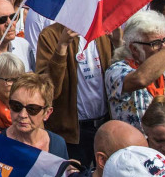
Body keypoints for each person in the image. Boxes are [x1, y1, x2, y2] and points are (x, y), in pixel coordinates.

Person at [35, 23, 114, 168]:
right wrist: (61, 47)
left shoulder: (102, 31)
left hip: (104, 126)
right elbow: (47, 91)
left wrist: (118, 43)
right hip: (73, 134)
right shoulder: (50, 35)